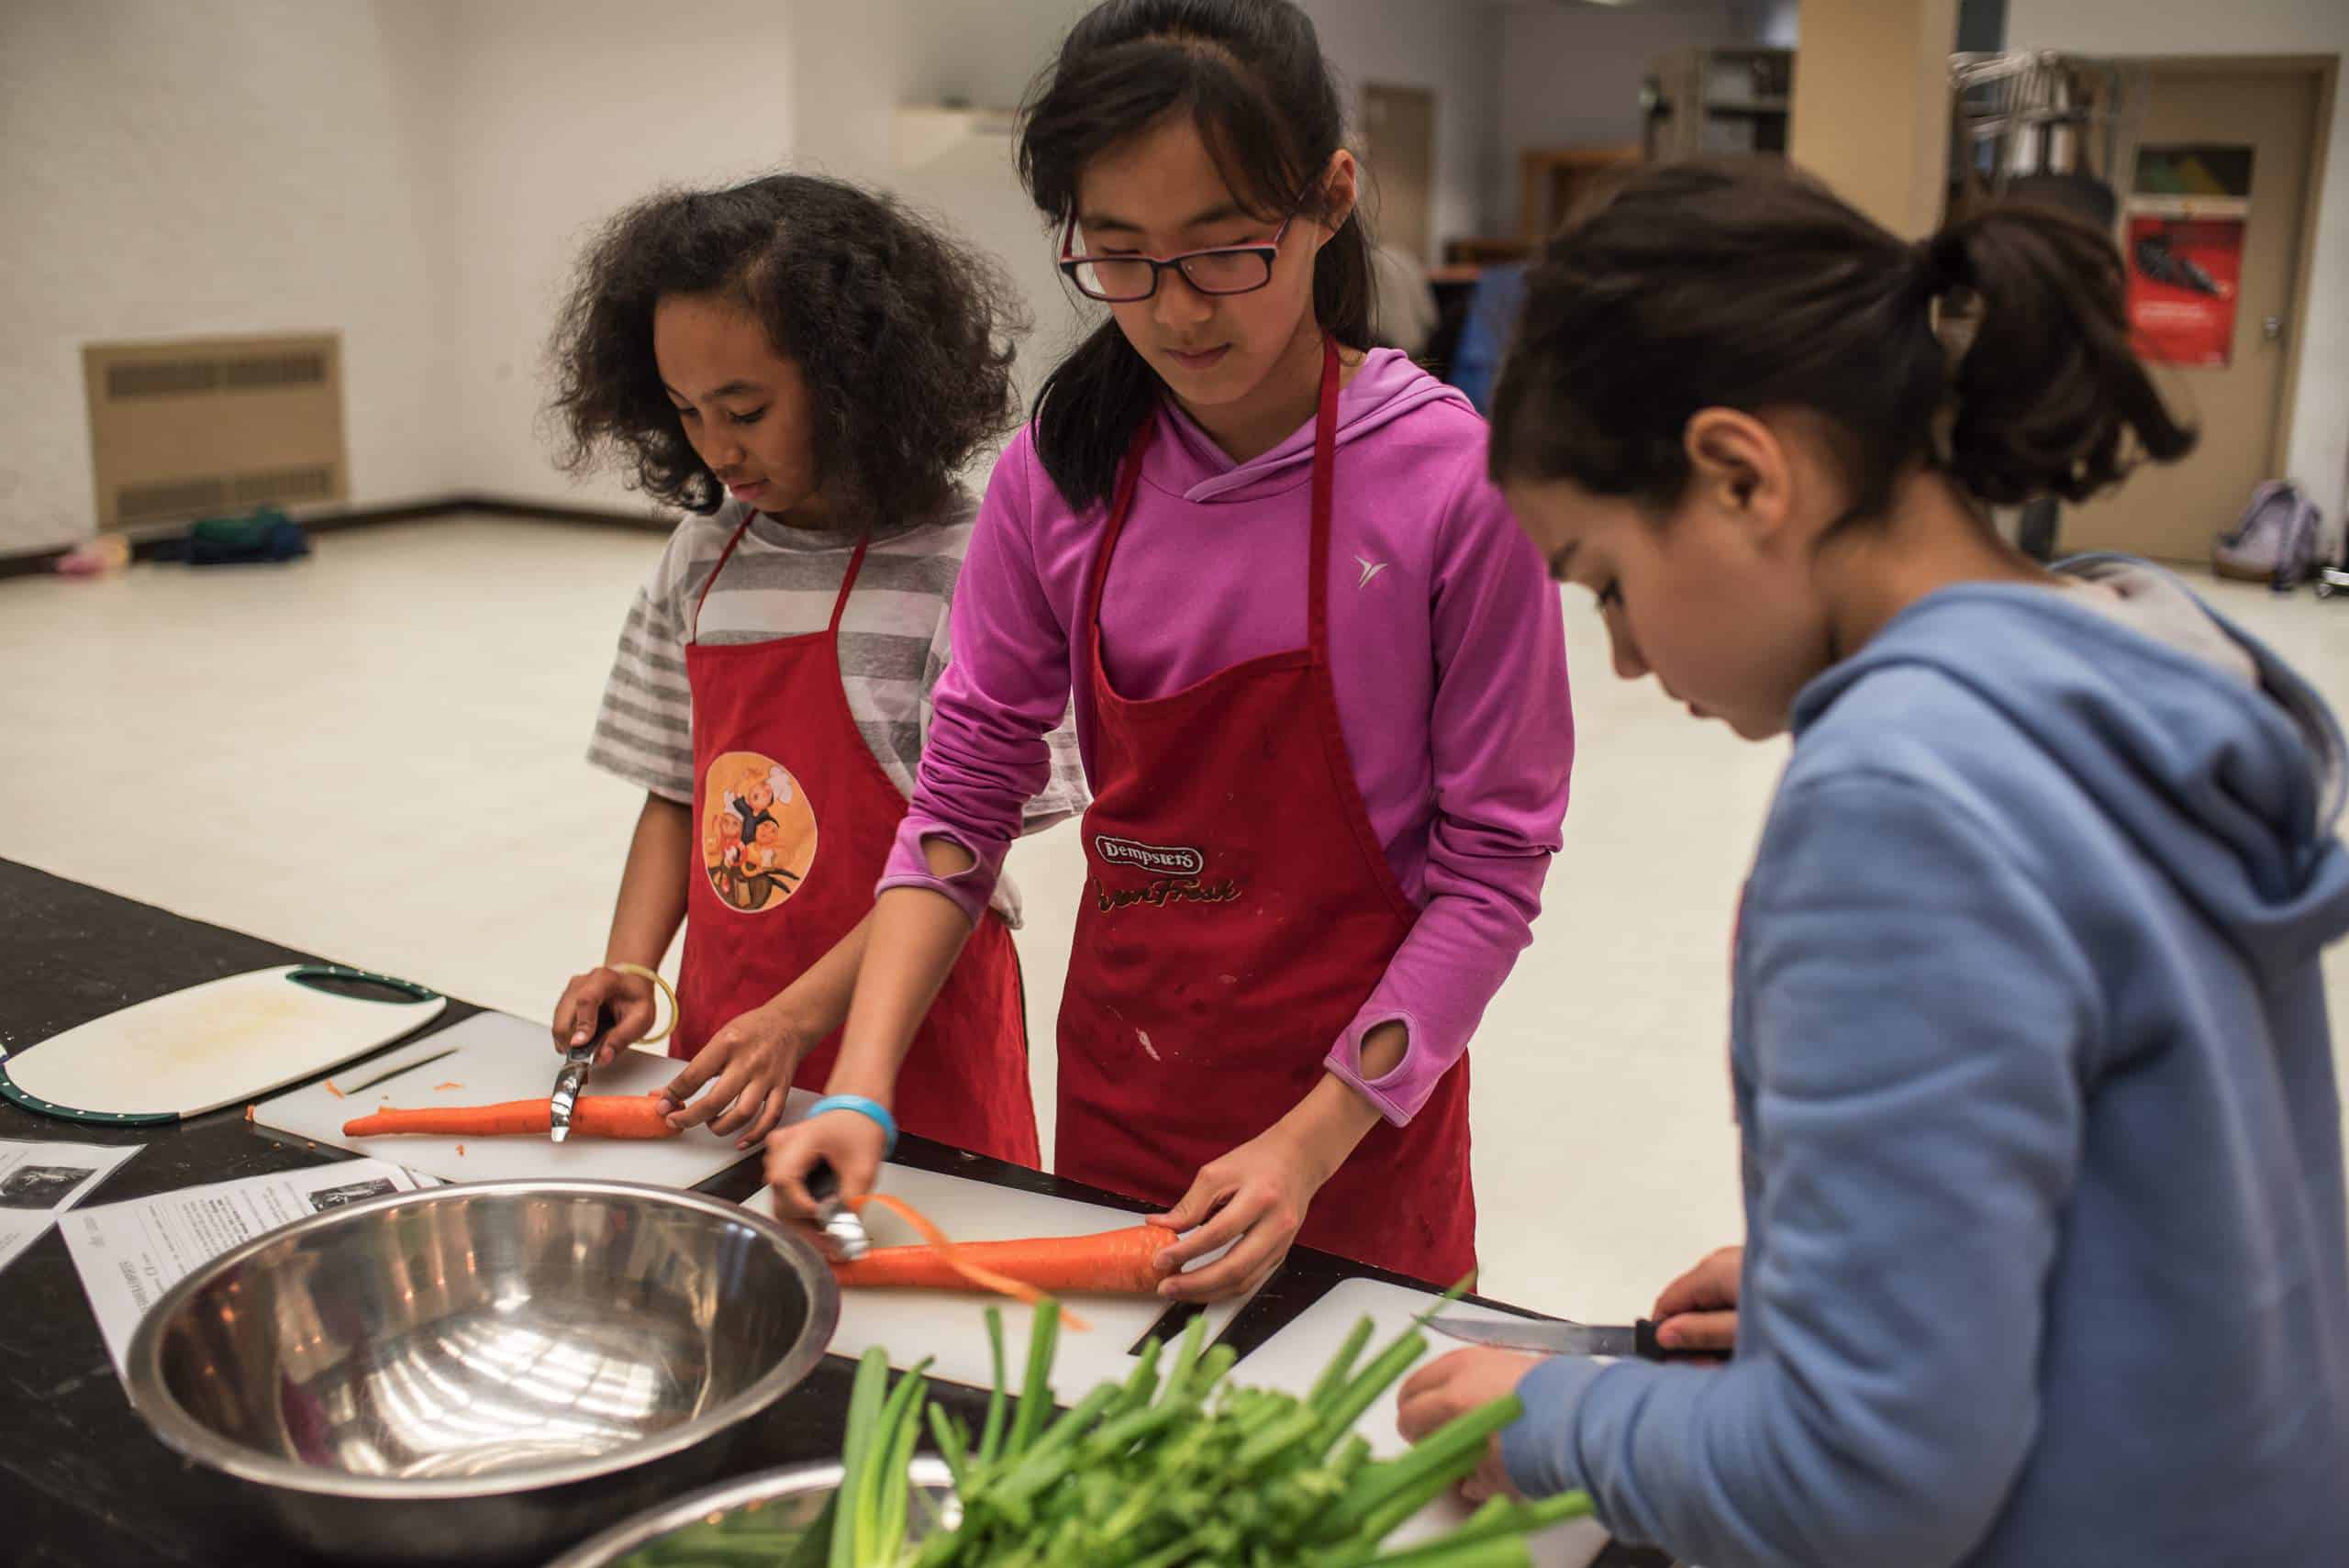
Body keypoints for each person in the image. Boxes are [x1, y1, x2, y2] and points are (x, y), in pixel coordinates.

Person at [1399, 161, 2349, 1565]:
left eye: (1605, 579)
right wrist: (1854, 1296)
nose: (1624, 655)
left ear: (1741, 474)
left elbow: (1865, 1483)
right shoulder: (2133, 657)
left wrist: (1545, 1416)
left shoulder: (1901, 797)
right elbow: (2138, 1200)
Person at [764, 0, 1573, 1298]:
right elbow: (962, 805)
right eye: (1122, 259)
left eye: (1224, 252)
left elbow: (1491, 872)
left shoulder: (1449, 486)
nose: (1176, 310)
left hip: (1359, 1120)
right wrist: (860, 1087)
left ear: (1329, 199)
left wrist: (1308, 1145)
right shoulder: (1060, 476)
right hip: (1129, 1074)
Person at [545, 173, 1085, 1162]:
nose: (716, 446)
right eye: (685, 411)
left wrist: (799, 1017)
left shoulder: (967, 568)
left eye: (745, 408)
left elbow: (966, 849)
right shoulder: (702, 559)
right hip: (730, 1025)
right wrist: (632, 962)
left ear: (855, 383)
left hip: (920, 1043)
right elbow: (678, 790)